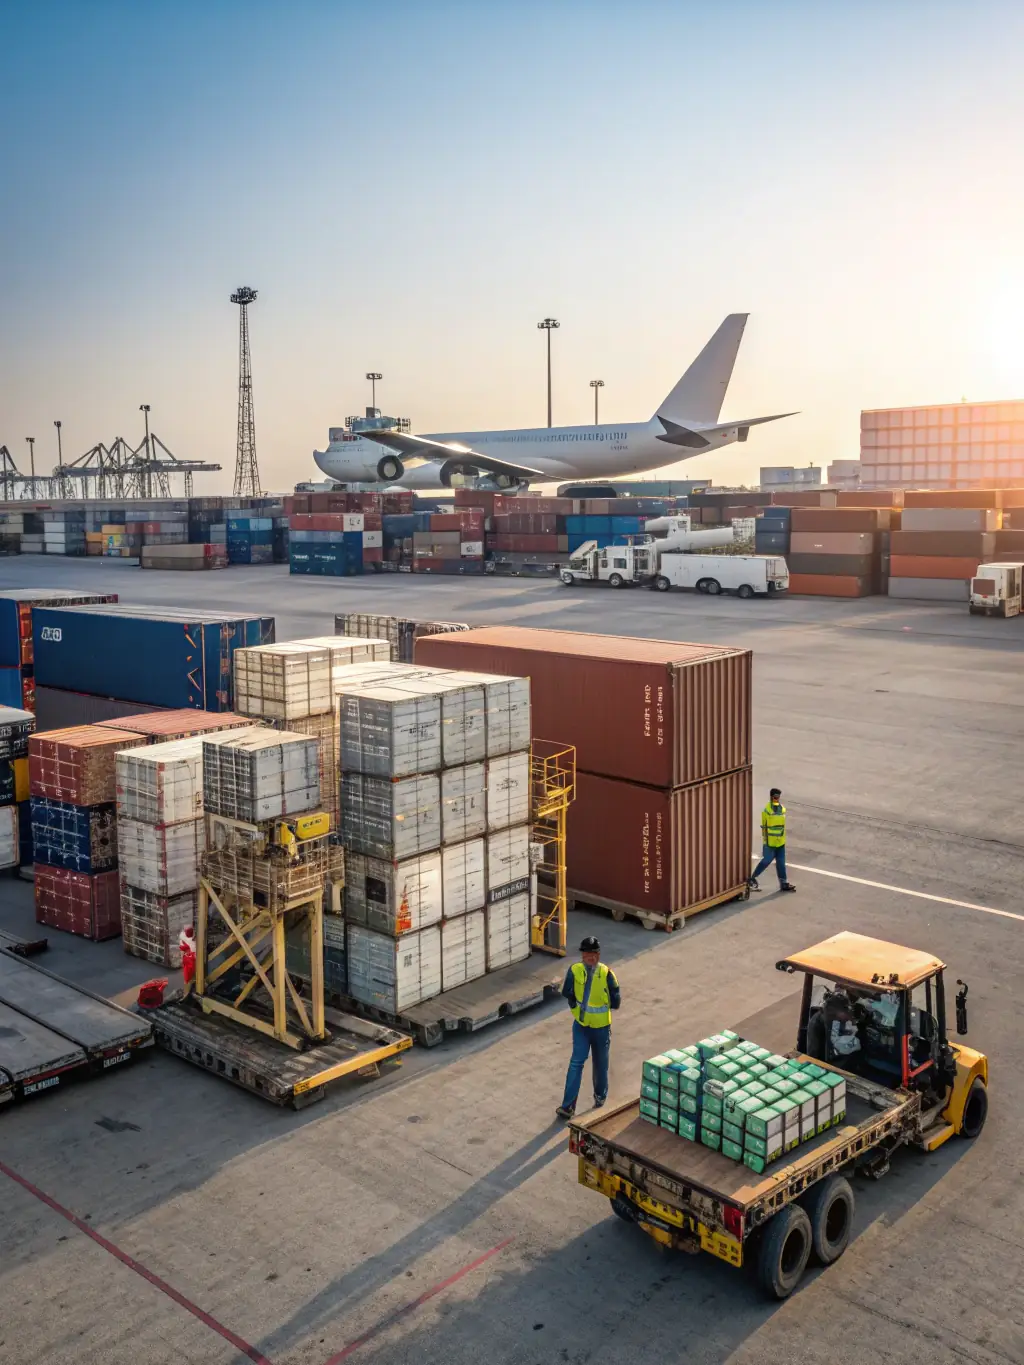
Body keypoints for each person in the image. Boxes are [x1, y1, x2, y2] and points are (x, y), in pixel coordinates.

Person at [555, 936, 621, 1120]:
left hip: (601, 1028)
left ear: (598, 955)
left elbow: (616, 1001)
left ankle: (600, 1096)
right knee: (576, 1063)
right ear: (582, 955)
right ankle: (568, 1107)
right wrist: (575, 1008)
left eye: (593, 954)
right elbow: (567, 992)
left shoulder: (607, 974)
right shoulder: (574, 971)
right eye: (587, 954)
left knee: (600, 1064)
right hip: (581, 1027)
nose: (590, 957)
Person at [748, 787, 796, 892]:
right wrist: (765, 842)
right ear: (771, 797)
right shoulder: (767, 810)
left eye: (778, 797)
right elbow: (764, 827)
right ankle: (752, 878)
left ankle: (783, 883)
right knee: (766, 861)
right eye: (775, 797)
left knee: (781, 863)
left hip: (780, 842)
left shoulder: (782, 809)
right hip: (770, 842)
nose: (777, 799)